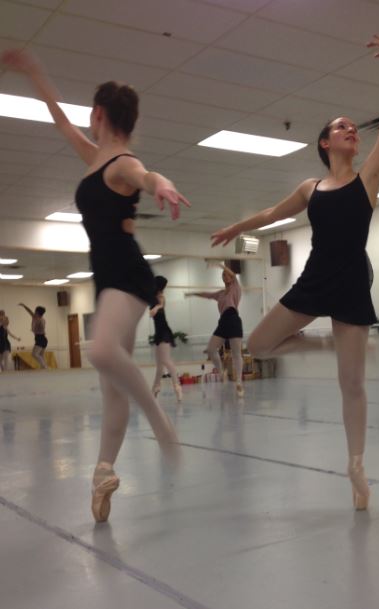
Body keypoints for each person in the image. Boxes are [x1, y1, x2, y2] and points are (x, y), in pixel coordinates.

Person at [211, 35, 379, 510]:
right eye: (342, 127)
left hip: (354, 279)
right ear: (325, 142)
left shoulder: (369, 178)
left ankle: (355, 464)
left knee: (351, 384)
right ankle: (325, 343)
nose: (351, 129)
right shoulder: (311, 186)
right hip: (315, 279)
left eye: (354, 126)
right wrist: (236, 226)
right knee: (257, 344)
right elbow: (273, 213)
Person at [2, 49, 189, 522]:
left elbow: (146, 175)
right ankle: (102, 473)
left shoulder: (122, 162)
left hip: (127, 275)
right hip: (108, 277)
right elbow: (60, 120)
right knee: (110, 392)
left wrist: (161, 186)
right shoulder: (92, 156)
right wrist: (35, 71)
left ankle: (160, 420)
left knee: (103, 352)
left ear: (100, 114)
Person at [188, 262, 245, 397]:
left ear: (231, 278)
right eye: (223, 275)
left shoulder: (235, 288)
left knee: (236, 353)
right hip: (223, 322)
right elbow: (207, 295)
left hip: (234, 320)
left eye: (227, 275)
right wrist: (192, 293)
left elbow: (232, 274)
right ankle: (221, 372)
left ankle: (239, 382)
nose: (225, 276)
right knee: (211, 349)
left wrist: (220, 265)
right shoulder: (220, 294)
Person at [150, 275, 182, 403]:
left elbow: (152, 313)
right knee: (159, 365)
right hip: (159, 333)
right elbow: (152, 313)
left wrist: (159, 305)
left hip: (164, 332)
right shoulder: (154, 299)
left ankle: (177, 387)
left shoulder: (160, 299)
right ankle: (155, 389)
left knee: (166, 361)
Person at [18, 303, 48, 368]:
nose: (34, 312)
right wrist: (24, 306)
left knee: (34, 354)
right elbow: (29, 311)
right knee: (41, 355)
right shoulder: (35, 317)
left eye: (35, 311)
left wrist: (34, 329)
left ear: (38, 312)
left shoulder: (41, 320)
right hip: (41, 338)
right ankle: (44, 368)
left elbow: (42, 329)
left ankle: (45, 366)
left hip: (41, 338)